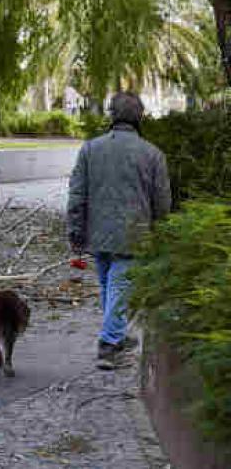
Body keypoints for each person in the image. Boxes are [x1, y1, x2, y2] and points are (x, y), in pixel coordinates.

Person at [66, 91, 171, 368]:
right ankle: (109, 345)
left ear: (111, 116)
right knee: (118, 287)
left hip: (96, 233)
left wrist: (75, 231)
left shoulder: (90, 149)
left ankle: (115, 336)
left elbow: (76, 194)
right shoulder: (153, 154)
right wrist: (161, 234)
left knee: (109, 286)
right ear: (139, 117)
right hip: (133, 235)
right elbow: (162, 202)